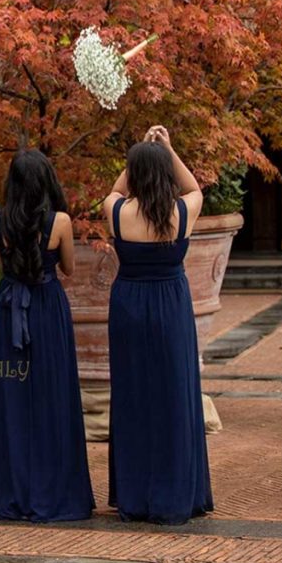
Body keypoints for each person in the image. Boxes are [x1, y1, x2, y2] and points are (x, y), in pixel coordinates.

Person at [103, 125, 214, 524]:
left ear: (134, 173)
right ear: (165, 172)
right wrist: (167, 149)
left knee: (132, 394)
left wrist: (140, 157)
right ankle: (176, 492)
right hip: (171, 304)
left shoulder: (117, 211)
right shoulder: (182, 211)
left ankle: (135, 495)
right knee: (174, 392)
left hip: (128, 304)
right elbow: (194, 187)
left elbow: (115, 191)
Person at [0, 149, 94, 522]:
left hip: (10, 308)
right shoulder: (59, 221)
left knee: (13, 398)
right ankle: (56, 489)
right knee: (53, 394)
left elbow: (3, 264)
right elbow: (69, 268)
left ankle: (15, 492)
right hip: (47, 307)